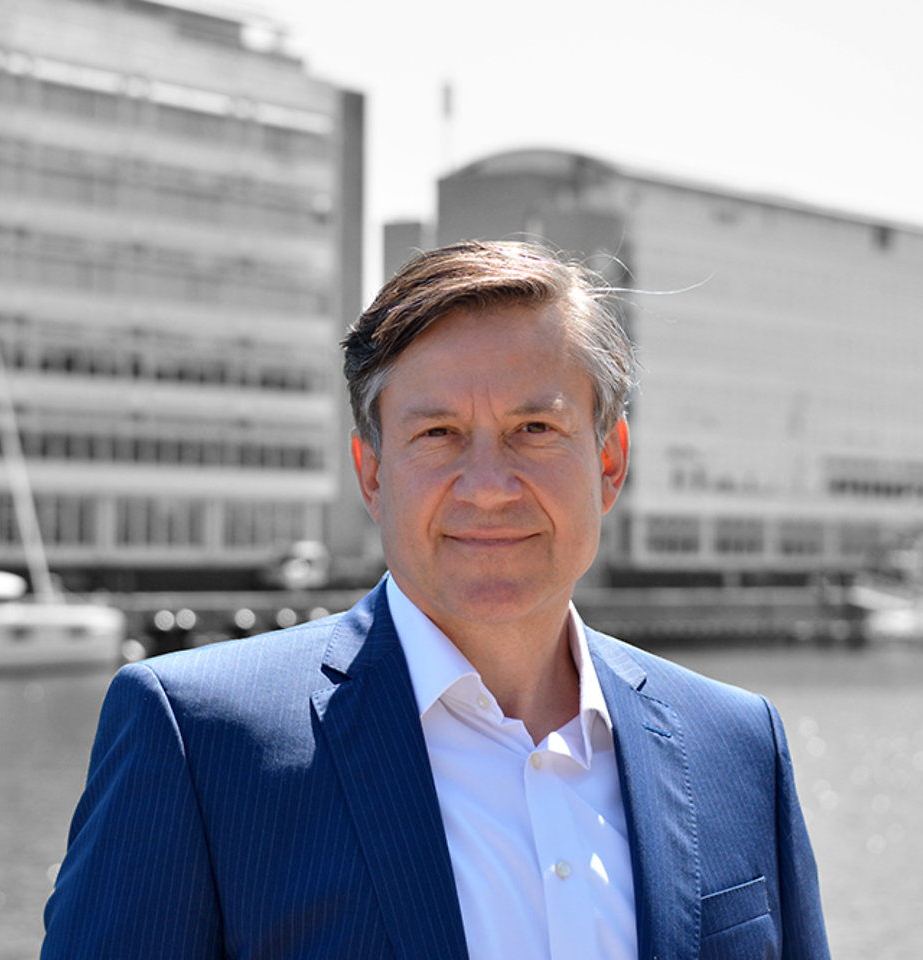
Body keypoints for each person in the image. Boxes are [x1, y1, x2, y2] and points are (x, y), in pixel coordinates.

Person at [41, 240, 830, 959]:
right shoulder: (199, 747)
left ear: (610, 460)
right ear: (373, 473)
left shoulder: (737, 748)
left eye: (534, 428)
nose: (488, 488)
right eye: (439, 434)